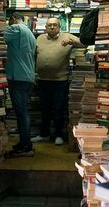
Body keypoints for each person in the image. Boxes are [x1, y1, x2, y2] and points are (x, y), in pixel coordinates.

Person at [32, 17, 85, 145]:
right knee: (44, 109)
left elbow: (84, 43)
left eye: (54, 25)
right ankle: (44, 134)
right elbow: (33, 55)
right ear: (45, 26)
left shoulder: (66, 36)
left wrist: (72, 41)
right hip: (42, 80)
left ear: (59, 26)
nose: (51, 27)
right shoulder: (39, 38)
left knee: (58, 109)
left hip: (60, 81)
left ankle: (58, 135)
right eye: (49, 25)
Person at [4, 12, 36, 157]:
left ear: (12, 19)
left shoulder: (15, 28)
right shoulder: (30, 33)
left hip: (17, 77)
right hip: (28, 76)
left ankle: (25, 146)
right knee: (23, 111)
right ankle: (25, 143)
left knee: (21, 112)